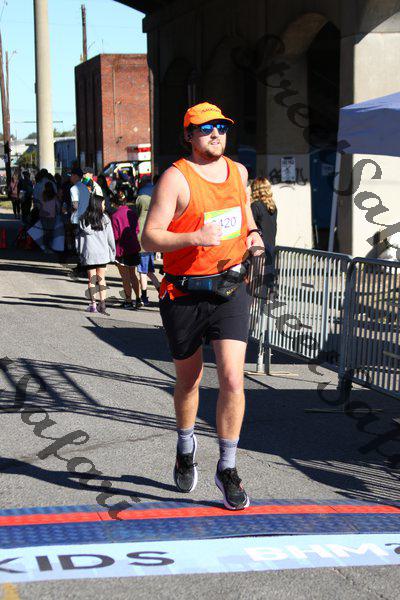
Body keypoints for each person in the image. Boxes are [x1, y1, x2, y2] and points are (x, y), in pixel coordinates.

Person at [142, 102, 264, 510]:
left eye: (221, 127)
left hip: (229, 290)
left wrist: (254, 236)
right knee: (190, 380)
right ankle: (185, 445)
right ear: (189, 135)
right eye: (206, 127)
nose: (215, 134)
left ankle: (227, 468)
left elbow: (244, 217)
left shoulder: (239, 172)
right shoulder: (175, 178)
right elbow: (149, 237)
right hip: (184, 294)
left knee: (232, 379)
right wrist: (194, 237)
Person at [76, 194, 116, 315]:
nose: (104, 206)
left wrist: (80, 253)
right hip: (102, 253)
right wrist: (113, 252)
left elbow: (78, 239)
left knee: (91, 280)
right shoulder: (105, 219)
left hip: (89, 253)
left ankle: (93, 305)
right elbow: (110, 238)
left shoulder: (83, 219)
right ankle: (102, 304)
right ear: (98, 205)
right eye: (103, 204)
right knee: (101, 279)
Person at [111, 191, 142, 310]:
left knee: (125, 277)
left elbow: (116, 235)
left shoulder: (115, 216)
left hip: (122, 249)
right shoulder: (132, 213)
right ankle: (138, 299)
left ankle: (128, 301)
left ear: (115, 203)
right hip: (133, 247)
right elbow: (137, 230)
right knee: (133, 275)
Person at [136, 176, 160, 306]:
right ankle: (161, 292)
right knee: (150, 271)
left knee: (142, 272)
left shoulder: (138, 220)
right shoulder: (152, 216)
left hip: (141, 245)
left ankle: (144, 296)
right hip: (150, 243)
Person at [250, 177, 278, 291]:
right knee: (268, 279)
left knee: (257, 281)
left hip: (258, 247)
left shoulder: (255, 206)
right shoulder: (272, 207)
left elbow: (249, 226)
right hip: (271, 246)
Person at [39, 181, 60, 253]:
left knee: (45, 232)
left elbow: (40, 204)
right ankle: (49, 247)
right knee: (50, 232)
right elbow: (57, 205)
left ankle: (45, 247)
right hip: (52, 215)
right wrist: (58, 212)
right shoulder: (55, 195)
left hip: (43, 215)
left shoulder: (43, 194)